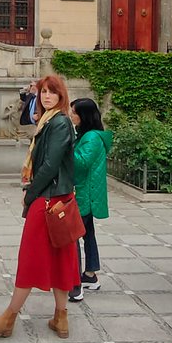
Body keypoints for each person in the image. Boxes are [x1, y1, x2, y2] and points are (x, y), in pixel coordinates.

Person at [0, 75, 79, 340]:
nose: (46, 96)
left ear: (61, 96)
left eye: (51, 92)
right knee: (60, 259)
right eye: (43, 92)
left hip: (48, 200)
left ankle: (8, 318)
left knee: (30, 260)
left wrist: (30, 193)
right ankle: (61, 317)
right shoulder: (51, 121)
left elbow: (49, 166)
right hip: (58, 200)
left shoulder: (58, 123)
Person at [67, 98, 111, 302]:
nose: (71, 115)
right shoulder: (87, 135)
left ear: (84, 116)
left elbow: (82, 163)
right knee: (87, 233)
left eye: (74, 112)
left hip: (86, 193)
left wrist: (65, 147)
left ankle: (75, 283)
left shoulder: (92, 137)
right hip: (87, 192)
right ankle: (91, 274)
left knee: (73, 236)